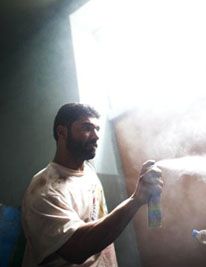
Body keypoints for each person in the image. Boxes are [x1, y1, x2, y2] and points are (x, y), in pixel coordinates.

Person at [21, 103, 163, 266]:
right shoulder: (43, 191)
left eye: (97, 129)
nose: (96, 136)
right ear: (62, 132)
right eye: (87, 128)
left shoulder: (88, 170)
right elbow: (77, 249)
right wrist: (135, 200)